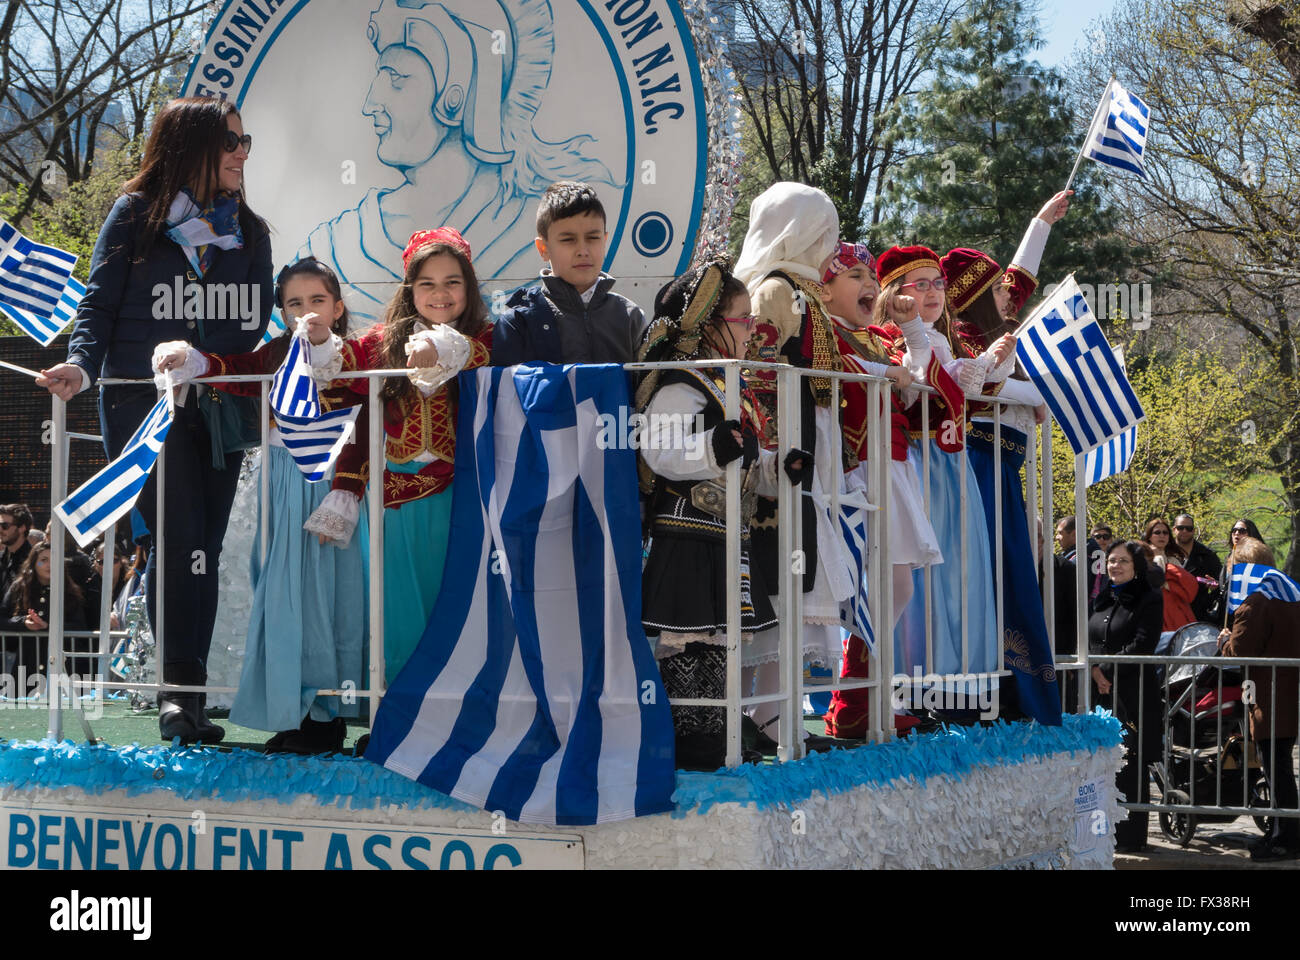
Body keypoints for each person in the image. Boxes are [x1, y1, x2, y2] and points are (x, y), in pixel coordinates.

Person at [36, 96, 273, 744]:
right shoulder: (134, 214)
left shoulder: (247, 231)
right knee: (174, 538)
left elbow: (249, 325)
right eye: (231, 141)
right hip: (143, 405)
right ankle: (175, 697)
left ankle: (192, 700)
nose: (242, 152)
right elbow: (98, 306)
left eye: (245, 141)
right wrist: (81, 369)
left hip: (222, 408)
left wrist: (202, 348)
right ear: (191, 146)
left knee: (205, 549)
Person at [153, 258, 368, 754]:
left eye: (317, 300)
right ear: (282, 312)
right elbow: (233, 371)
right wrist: (190, 358)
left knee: (324, 596)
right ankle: (291, 710)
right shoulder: (275, 353)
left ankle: (326, 714)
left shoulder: (354, 355)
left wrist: (347, 491)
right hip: (279, 485)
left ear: (337, 307)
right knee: (276, 592)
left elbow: (365, 414)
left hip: (329, 485)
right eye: (295, 303)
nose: (307, 311)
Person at [301, 0, 619, 326]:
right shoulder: (335, 242)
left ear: (455, 96)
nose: (370, 105)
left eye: (395, 79)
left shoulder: (524, 237)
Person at [634, 260, 809, 769]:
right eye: (741, 320)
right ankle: (690, 741)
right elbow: (659, 450)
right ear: (707, 324)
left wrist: (780, 468)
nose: (751, 330)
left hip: (726, 536)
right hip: (687, 535)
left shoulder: (726, 386)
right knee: (687, 641)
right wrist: (713, 445)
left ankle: (716, 731)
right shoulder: (680, 386)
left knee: (716, 641)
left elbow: (741, 461)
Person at [306, 228, 492, 685]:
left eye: (452, 281)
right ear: (410, 290)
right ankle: (398, 717)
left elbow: (475, 355)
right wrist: (320, 339)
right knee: (398, 614)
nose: (440, 293)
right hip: (395, 503)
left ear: (468, 286)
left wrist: (442, 345)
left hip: (466, 498)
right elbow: (342, 365)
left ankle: (456, 716)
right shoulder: (382, 342)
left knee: (463, 609)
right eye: (427, 283)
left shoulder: (487, 339)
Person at [732, 182, 851, 749]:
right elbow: (757, 375)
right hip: (781, 458)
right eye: (823, 232)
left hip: (806, 448)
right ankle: (758, 719)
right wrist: (775, 455)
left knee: (794, 591)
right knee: (774, 586)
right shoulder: (776, 291)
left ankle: (773, 717)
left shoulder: (805, 292)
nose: (831, 245)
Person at [816, 242, 941, 738]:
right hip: (858, 468)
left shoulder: (875, 339)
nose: (869, 284)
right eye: (854, 276)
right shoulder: (827, 335)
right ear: (824, 292)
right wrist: (883, 372)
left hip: (891, 466)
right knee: (869, 587)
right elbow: (833, 372)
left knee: (895, 586)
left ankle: (862, 699)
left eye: (872, 275)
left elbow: (916, 381)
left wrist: (910, 329)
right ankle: (854, 702)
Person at [873, 244, 1010, 683]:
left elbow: (961, 393)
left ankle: (960, 676)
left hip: (950, 460)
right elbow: (919, 387)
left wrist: (991, 366)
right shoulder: (889, 339)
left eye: (938, 283)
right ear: (897, 293)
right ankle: (922, 674)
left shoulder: (942, 337)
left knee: (961, 565)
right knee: (931, 568)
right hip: (920, 460)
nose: (932, 292)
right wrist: (984, 363)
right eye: (921, 284)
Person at [491, 181, 646, 365]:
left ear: (604, 241)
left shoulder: (630, 317)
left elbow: (647, 388)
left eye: (592, 238)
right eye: (568, 240)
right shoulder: (519, 321)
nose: (583, 250)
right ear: (543, 248)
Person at [1220, 536, 1300, 861]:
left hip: (1269, 693)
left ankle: (1287, 838)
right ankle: (1279, 831)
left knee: (1276, 766)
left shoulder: (1257, 599)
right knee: (1278, 764)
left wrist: (1224, 641)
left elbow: (1242, 649)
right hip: (1285, 690)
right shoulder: (1288, 591)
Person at [1089, 540, 1164, 852]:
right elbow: (1090, 637)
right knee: (1102, 764)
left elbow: (1143, 642)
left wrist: (1106, 669)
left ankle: (1131, 838)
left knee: (1130, 764)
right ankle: (1101, 833)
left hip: (1132, 693)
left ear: (1136, 567)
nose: (1114, 566)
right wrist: (1095, 670)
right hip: (1099, 693)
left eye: (1122, 562)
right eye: (1111, 561)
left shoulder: (1149, 598)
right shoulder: (1102, 599)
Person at [3, 543, 89, 680]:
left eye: (54, 559)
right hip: (24, 667)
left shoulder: (70, 592)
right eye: (44, 560)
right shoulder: (19, 587)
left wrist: (48, 626)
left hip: (59, 669)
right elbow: (3, 620)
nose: (50, 564)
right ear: (34, 562)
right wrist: (23, 623)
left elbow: (79, 627)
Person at [1172, 514, 1221, 620]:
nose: (1184, 531)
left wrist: (1213, 590)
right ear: (1174, 529)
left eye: (1188, 528)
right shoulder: (1165, 553)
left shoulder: (1208, 556)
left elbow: (1221, 587)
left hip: (1197, 615)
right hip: (1170, 614)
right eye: (1181, 528)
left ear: (1193, 531)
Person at [0, 504, 34, 602]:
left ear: (22, 528)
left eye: (4, 526)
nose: (0, 530)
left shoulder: (34, 560)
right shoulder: (2, 558)